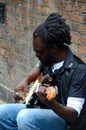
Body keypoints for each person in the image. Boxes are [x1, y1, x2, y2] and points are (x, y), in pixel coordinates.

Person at [0, 13, 86, 130]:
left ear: (54, 48)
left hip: (65, 121)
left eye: (40, 52)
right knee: (2, 113)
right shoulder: (48, 59)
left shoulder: (79, 71)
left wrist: (50, 103)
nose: (37, 56)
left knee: (25, 118)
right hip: (43, 109)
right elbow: (39, 66)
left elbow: (73, 115)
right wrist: (26, 80)